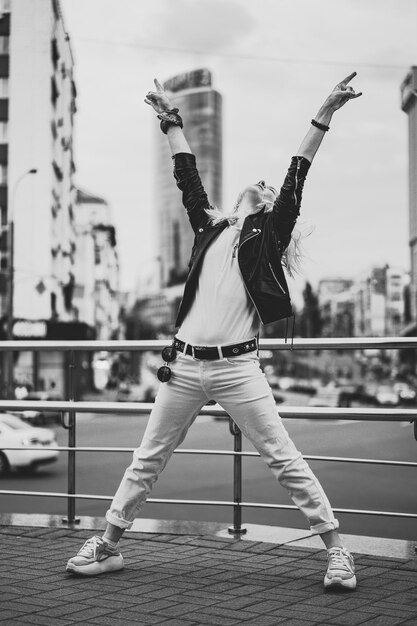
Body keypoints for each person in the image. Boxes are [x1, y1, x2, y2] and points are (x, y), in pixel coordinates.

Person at [66, 73, 362, 590]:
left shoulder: (266, 236)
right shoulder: (211, 227)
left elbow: (297, 174)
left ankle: (338, 552)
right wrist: (169, 121)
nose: (265, 186)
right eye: (263, 184)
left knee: (284, 459)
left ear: (271, 209)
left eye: (270, 191)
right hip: (182, 367)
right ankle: (108, 544)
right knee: (146, 460)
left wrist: (325, 112)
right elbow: (187, 176)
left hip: (236, 369)